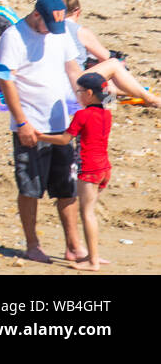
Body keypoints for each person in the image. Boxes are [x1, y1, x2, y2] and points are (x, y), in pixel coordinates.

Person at [0, 0, 87, 264]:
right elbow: (6, 81)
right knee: (30, 187)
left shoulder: (59, 33)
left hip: (60, 124)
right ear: (36, 15)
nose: (51, 31)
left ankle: (74, 246)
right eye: (47, 24)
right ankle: (32, 244)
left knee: (67, 187)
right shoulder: (13, 36)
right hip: (30, 125)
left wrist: (89, 103)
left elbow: (72, 69)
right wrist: (21, 122)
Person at [34, 73, 112, 270]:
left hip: (89, 167)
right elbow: (112, 95)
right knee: (90, 212)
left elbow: (64, 139)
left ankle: (93, 261)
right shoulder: (107, 111)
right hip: (104, 167)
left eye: (78, 92)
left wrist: (40, 136)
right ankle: (92, 256)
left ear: (88, 93)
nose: (76, 96)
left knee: (87, 214)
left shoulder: (82, 115)